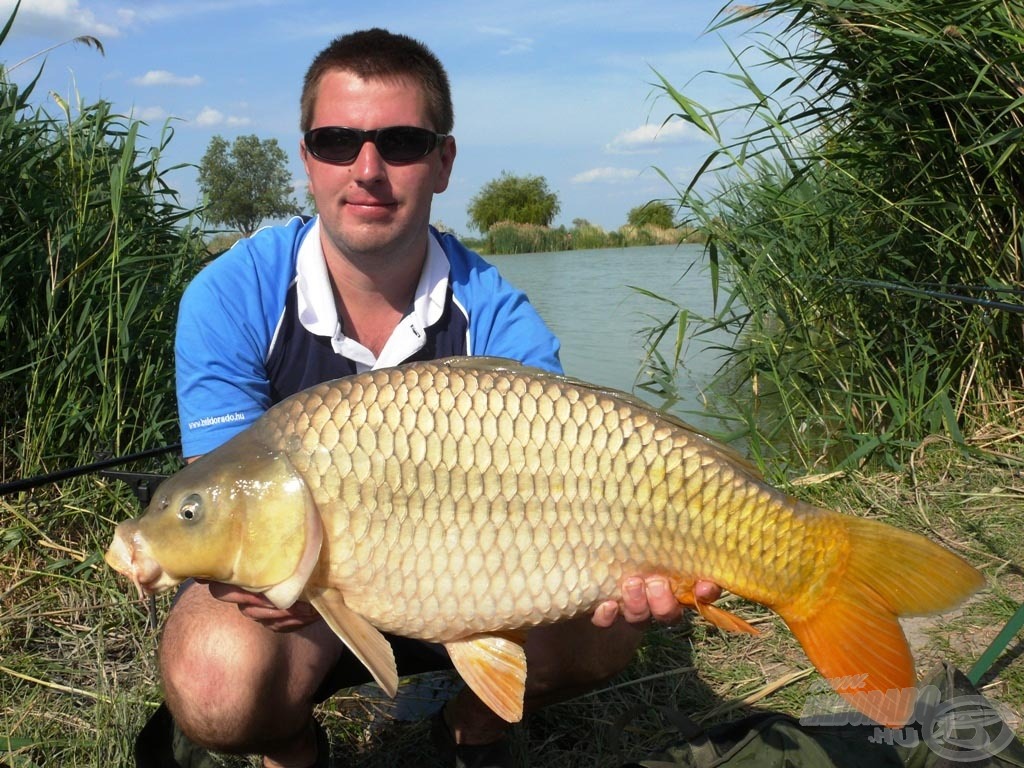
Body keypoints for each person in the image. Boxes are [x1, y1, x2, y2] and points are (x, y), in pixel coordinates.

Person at [154, 28, 720, 768]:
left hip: (483, 583)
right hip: (308, 598)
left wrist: (648, 557)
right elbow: (217, 500)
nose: (366, 169)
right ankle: (289, 752)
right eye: (336, 141)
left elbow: (578, 487)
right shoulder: (232, 296)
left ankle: (471, 727)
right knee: (211, 680)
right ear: (306, 160)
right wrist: (240, 575)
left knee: (611, 624)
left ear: (443, 161)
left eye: (400, 142)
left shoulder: (500, 316)